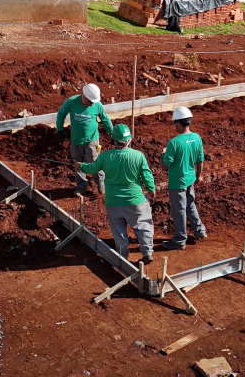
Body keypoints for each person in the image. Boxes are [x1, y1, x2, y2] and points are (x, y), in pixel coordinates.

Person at [76, 124, 157, 264]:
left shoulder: (105, 157)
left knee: (118, 231)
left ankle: (122, 256)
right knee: (143, 226)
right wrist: (151, 188)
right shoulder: (138, 156)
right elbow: (147, 175)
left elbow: (92, 168)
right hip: (135, 200)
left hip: (113, 201)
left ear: (113, 140)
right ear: (129, 140)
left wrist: (80, 166)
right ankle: (147, 252)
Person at [161, 107, 207, 250]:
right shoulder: (197, 138)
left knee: (178, 209)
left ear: (180, 123)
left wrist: (164, 154)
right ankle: (200, 231)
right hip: (190, 179)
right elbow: (200, 160)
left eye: (175, 123)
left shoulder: (174, 143)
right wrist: (198, 175)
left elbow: (166, 166)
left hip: (177, 182)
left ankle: (180, 240)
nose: (175, 126)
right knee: (190, 204)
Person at [56, 83, 114, 197]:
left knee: (94, 162)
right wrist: (60, 130)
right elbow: (61, 114)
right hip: (75, 140)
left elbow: (105, 119)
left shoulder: (97, 105)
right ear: (84, 96)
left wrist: (112, 134)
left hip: (92, 140)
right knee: (78, 164)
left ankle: (101, 184)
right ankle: (81, 187)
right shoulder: (72, 101)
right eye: (90, 101)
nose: (92, 103)